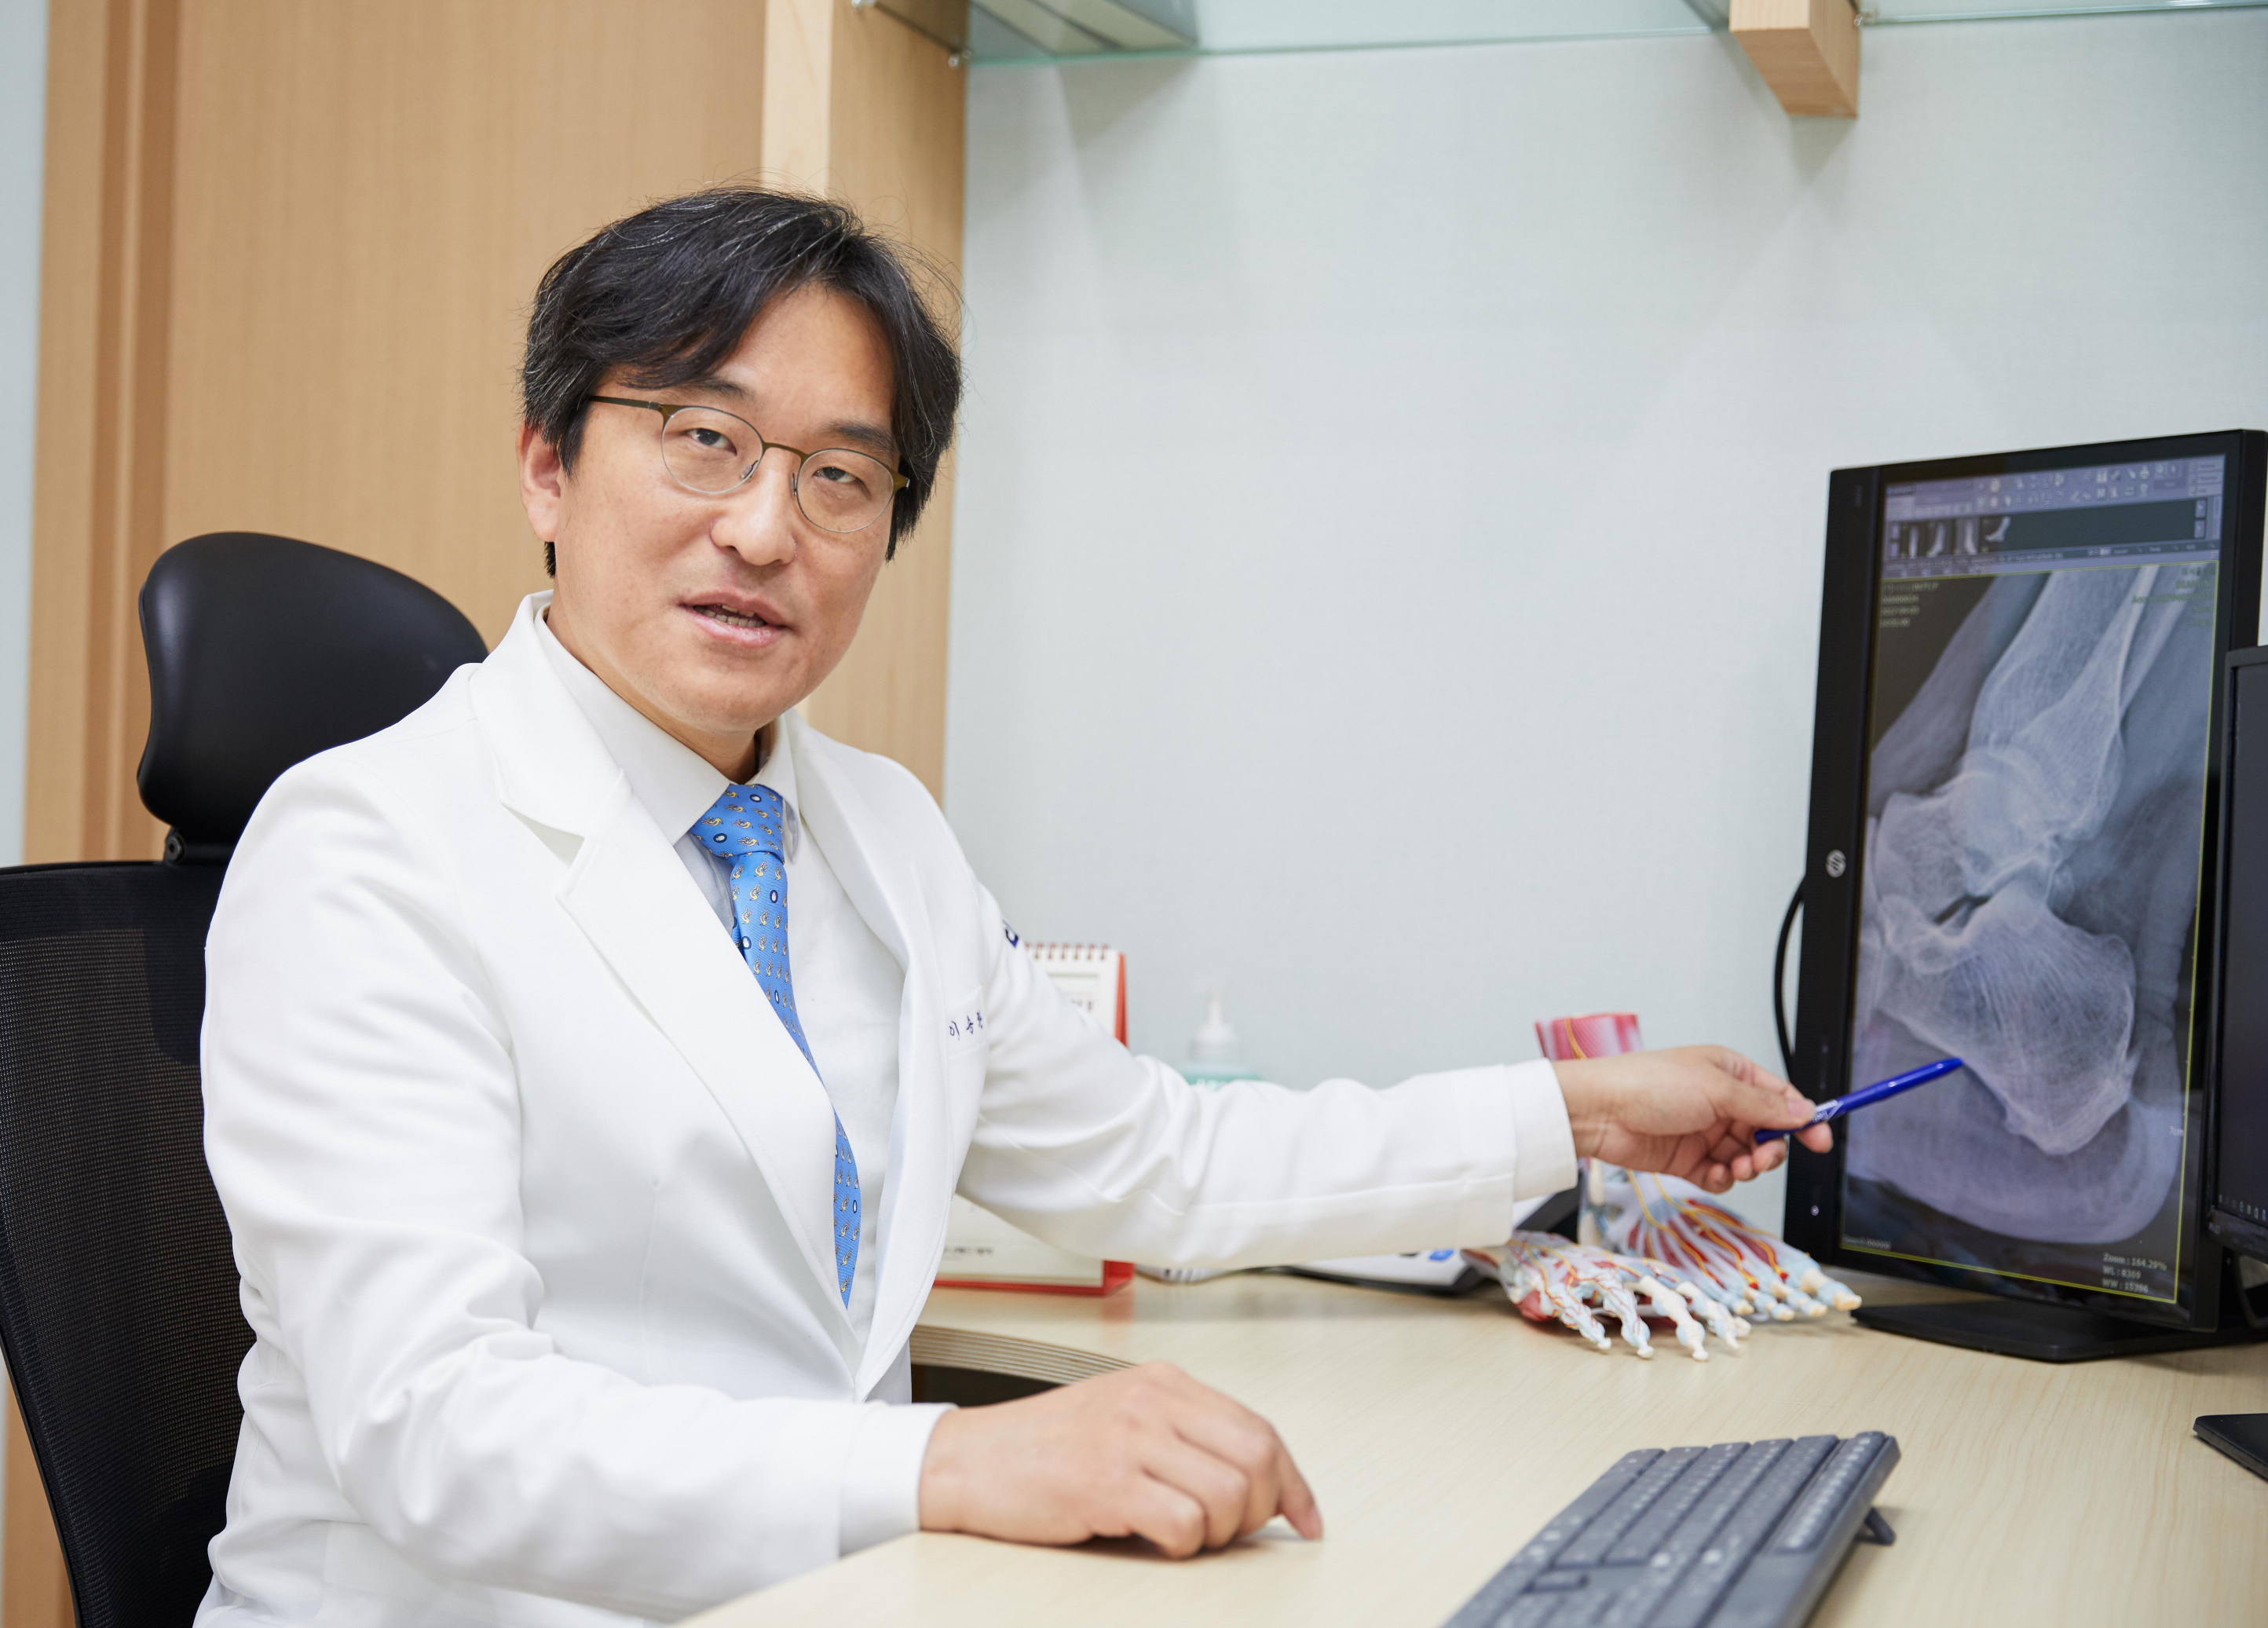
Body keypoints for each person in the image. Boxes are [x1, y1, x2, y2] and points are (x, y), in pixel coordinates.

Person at [195, 186, 1832, 1628]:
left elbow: (1165, 1163)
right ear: (549, 464)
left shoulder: (879, 832)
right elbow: (436, 1430)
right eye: (703, 439)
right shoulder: (365, 851)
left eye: (841, 477)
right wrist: (954, 1460)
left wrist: (1575, 1113)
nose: (764, 528)